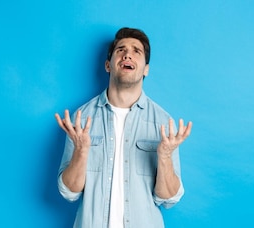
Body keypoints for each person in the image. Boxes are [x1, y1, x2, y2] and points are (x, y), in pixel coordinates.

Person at [55, 27, 192, 228]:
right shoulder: (81, 119)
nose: (128, 54)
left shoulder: (163, 123)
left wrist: (164, 158)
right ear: (108, 65)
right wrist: (81, 151)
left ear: (146, 69)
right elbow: (69, 192)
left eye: (137, 51)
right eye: (121, 49)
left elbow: (169, 199)